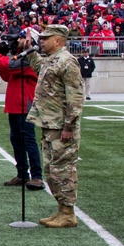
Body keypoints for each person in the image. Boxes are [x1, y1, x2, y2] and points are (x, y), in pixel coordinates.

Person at [24, 25, 85, 228]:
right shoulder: (52, 60)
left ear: (58, 40)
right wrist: (31, 51)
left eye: (45, 38)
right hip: (50, 124)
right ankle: (62, 209)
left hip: (61, 126)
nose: (42, 41)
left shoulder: (67, 61)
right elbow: (40, 69)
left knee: (63, 170)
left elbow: (75, 98)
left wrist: (69, 126)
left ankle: (68, 213)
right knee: (51, 170)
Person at [0, 34, 43, 190]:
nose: (17, 41)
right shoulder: (20, 57)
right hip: (15, 105)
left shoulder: (30, 58)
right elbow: (7, 74)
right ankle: (22, 174)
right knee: (16, 140)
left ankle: (37, 177)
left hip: (24, 105)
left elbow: (9, 66)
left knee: (28, 140)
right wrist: (2, 56)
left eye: (20, 38)